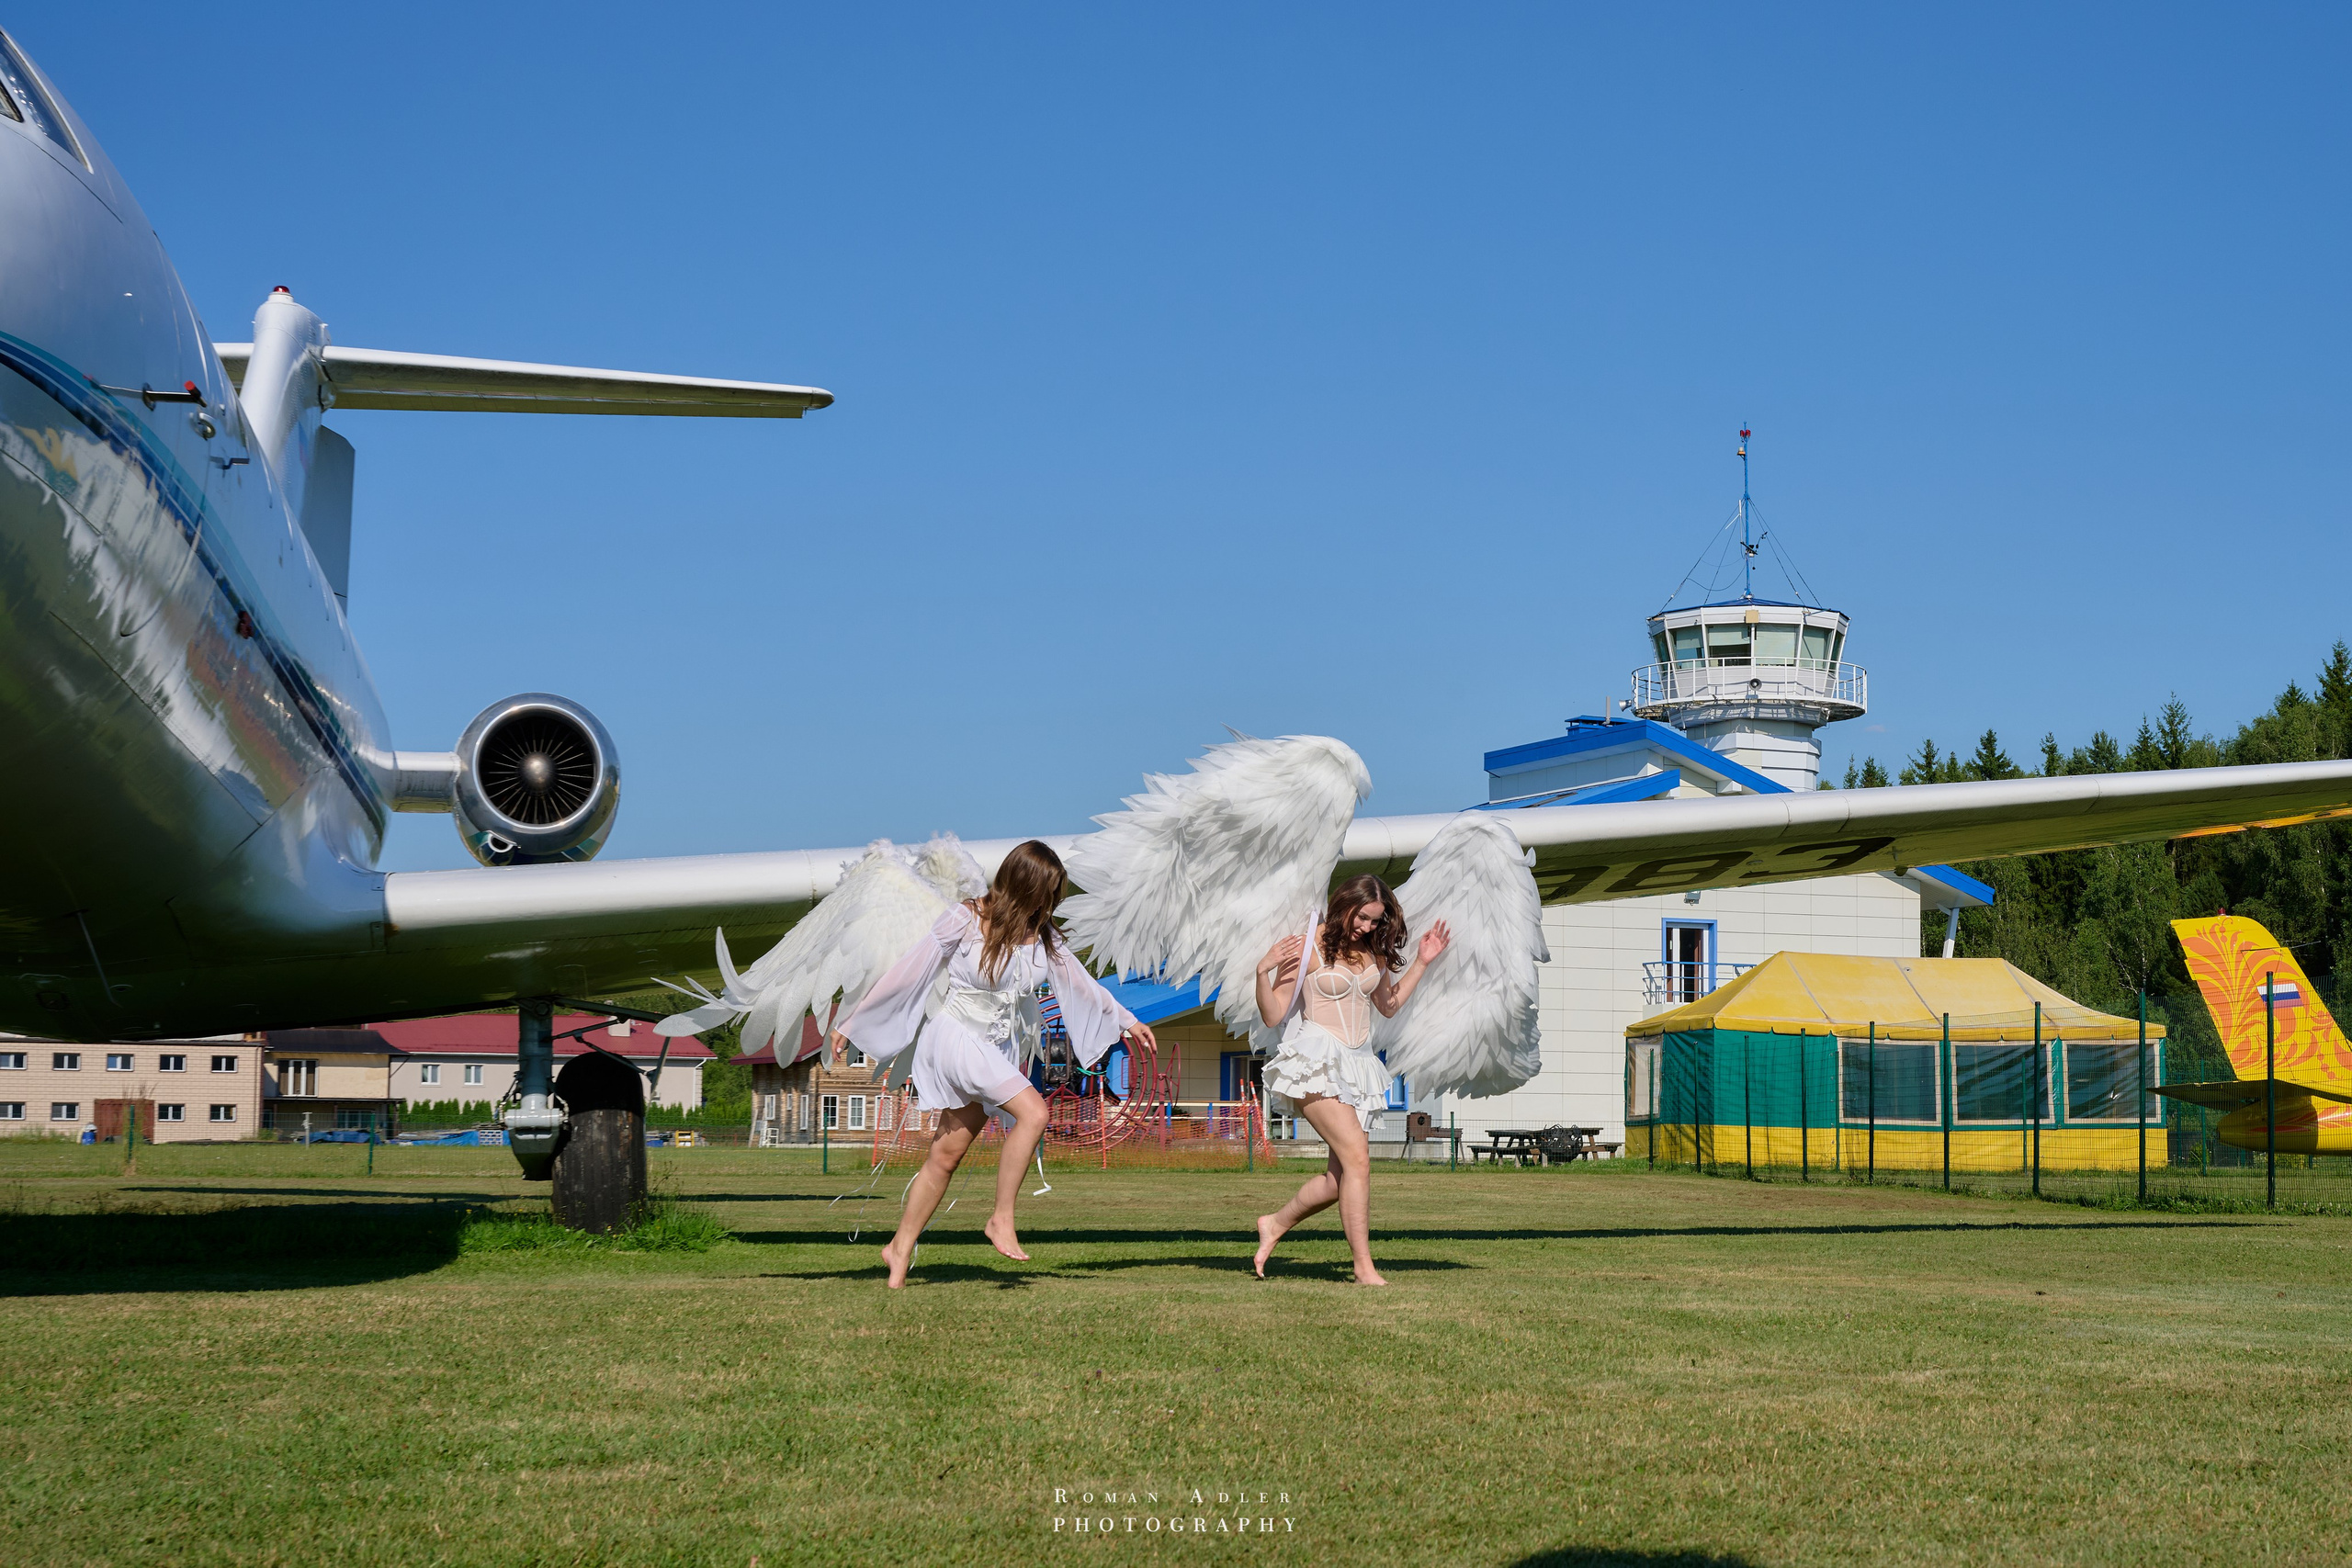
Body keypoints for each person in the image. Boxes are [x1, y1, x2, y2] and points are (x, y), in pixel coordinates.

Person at [839, 840, 1157, 1289]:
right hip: (956, 1038)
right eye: (1045, 895)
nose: (1050, 905)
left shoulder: (1043, 936)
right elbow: (912, 969)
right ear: (1022, 886)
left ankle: (898, 1249)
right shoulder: (965, 919)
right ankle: (1001, 1218)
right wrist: (854, 1021)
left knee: (945, 1156)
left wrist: (1127, 1020)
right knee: (1035, 1112)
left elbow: (1082, 986)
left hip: (996, 1049)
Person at [1250, 874, 1450, 1285]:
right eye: (1363, 918)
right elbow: (1273, 1015)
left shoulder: (1374, 953)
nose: (1368, 927)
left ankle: (1273, 1223)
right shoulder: (1309, 945)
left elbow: (1389, 1006)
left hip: (1357, 1066)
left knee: (1338, 1179)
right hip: (1315, 1061)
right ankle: (1363, 1269)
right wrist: (1262, 972)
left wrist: (1423, 962)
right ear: (1345, 905)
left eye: (1376, 921)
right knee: (1359, 1158)